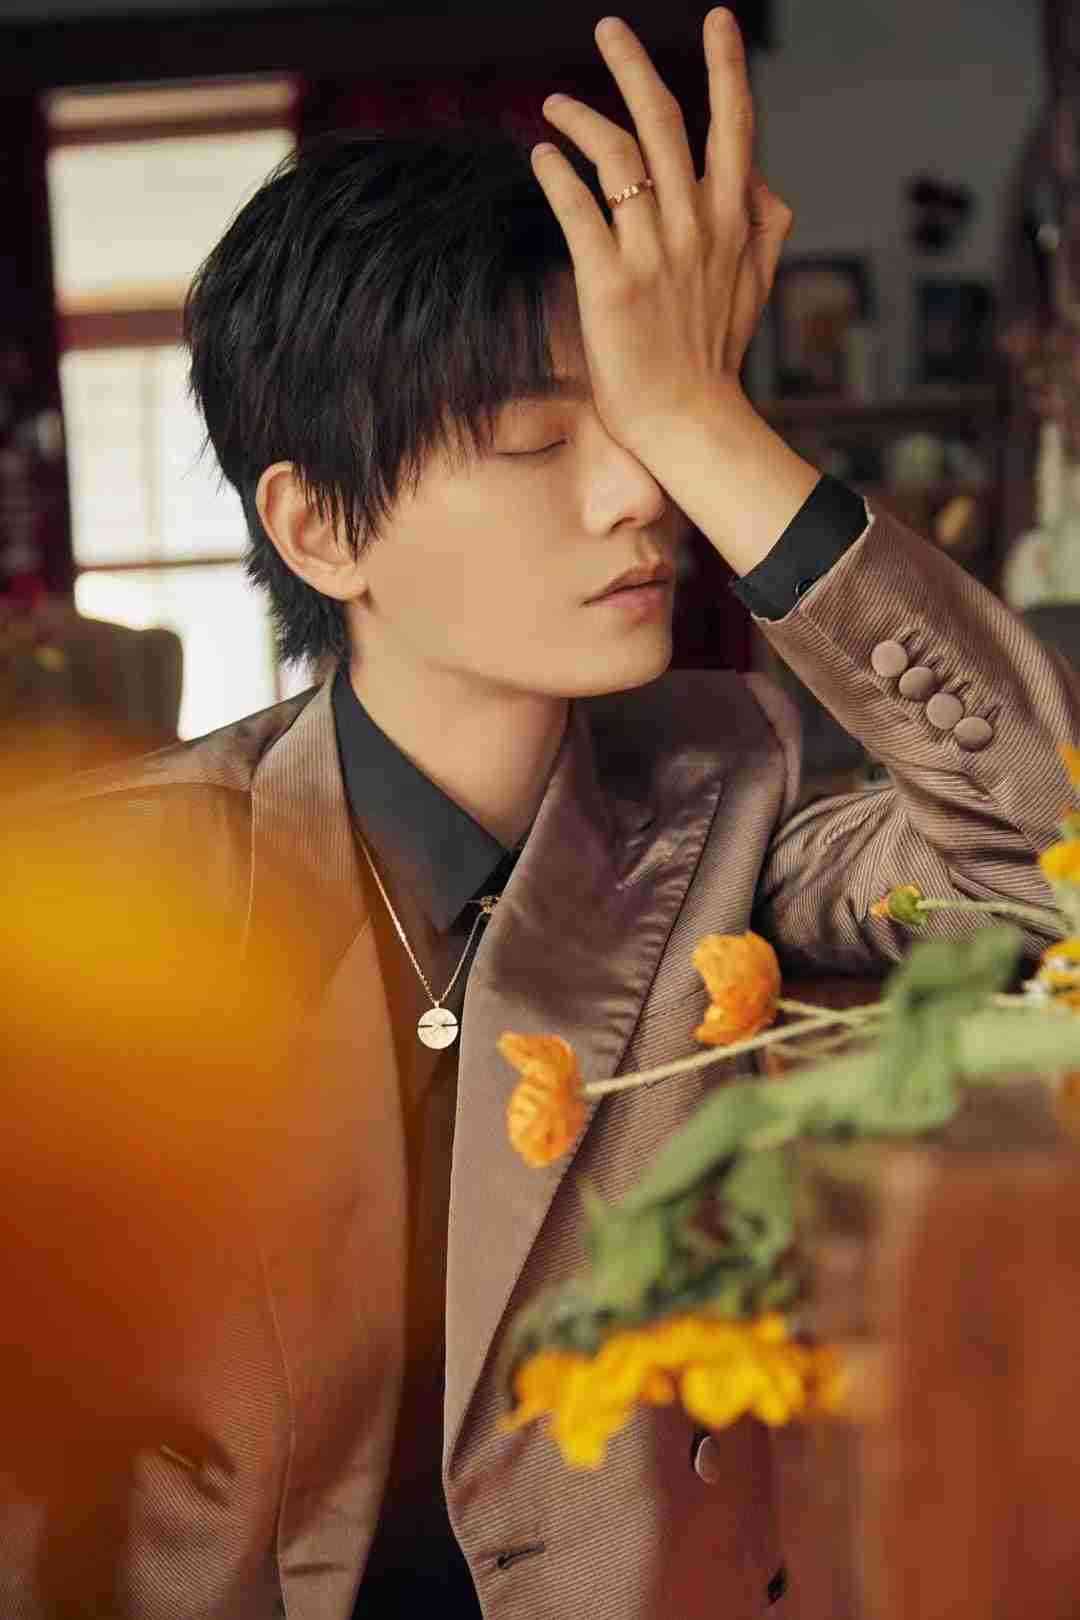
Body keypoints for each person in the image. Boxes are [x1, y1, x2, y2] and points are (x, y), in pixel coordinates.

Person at [3, 10, 1078, 1619]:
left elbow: (1053, 866)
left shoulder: (734, 812)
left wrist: (709, 417)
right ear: (318, 527)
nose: (636, 493)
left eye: (638, 423)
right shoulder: (109, 904)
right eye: (529, 439)